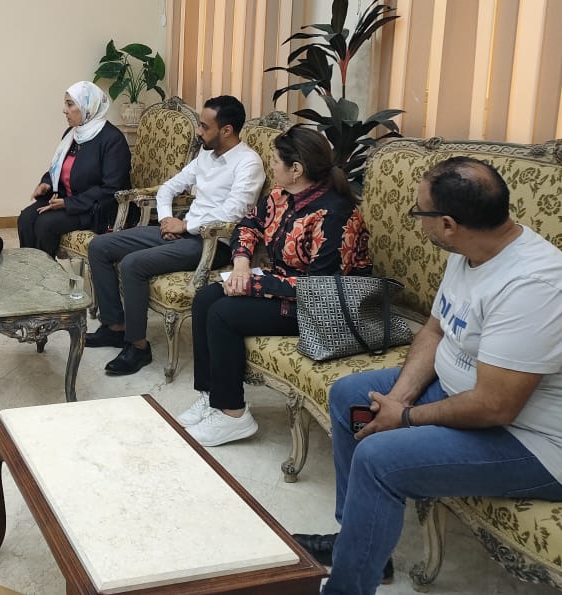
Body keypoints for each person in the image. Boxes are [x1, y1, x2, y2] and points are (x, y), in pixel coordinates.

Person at [294, 158, 562, 595]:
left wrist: (404, 418)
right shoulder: (471, 250)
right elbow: (436, 331)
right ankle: (358, 545)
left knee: (378, 459)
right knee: (350, 397)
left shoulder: (533, 286)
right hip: (465, 395)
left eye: (420, 213)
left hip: (531, 440)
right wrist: (397, 400)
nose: (418, 222)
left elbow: (495, 406)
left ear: (449, 224)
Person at [179, 125, 370, 446]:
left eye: (276, 161)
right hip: (287, 289)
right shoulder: (281, 197)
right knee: (206, 298)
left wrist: (253, 285)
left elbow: (319, 288)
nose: (271, 166)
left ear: (297, 169)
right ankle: (212, 396)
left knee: (224, 313)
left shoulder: (335, 215)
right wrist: (241, 264)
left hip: (324, 309)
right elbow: (248, 225)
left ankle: (233, 414)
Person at [87, 95, 265, 376]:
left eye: (204, 126)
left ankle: (138, 346)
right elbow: (169, 187)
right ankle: (115, 326)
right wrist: (167, 220)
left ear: (227, 130)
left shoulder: (248, 163)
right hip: (183, 231)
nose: (198, 131)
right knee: (99, 246)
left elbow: (233, 213)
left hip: (213, 243)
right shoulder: (206, 154)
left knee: (133, 264)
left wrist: (185, 226)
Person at [17, 81, 131, 257]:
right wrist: (46, 183)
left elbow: (112, 189)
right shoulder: (72, 134)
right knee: (25, 219)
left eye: (70, 104)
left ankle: (46, 273)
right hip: (66, 200)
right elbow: (58, 168)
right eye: (66, 104)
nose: (65, 110)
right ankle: (29, 269)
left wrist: (68, 203)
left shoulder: (112, 140)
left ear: (88, 106)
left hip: (95, 209)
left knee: (45, 224)